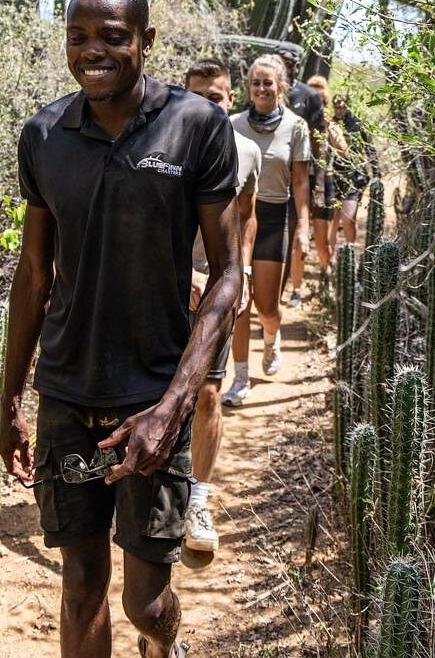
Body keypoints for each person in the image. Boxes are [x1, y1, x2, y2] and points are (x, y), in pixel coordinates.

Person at [0, 0, 243, 658]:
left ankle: (162, 645)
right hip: (69, 393)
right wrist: (9, 398)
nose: (92, 51)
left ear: (146, 41)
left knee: (146, 601)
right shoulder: (44, 134)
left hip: (152, 395)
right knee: (80, 582)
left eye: (111, 37)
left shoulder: (196, 125)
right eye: (78, 37)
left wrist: (174, 406)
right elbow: (34, 274)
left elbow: (228, 275)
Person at [182, 59, 261, 556]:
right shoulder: (162, 145)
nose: (208, 105)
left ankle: (197, 500)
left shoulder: (248, 152)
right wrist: (181, 272)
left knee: (209, 393)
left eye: (216, 97)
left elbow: (248, 216)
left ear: (232, 100)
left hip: (218, 291)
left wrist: (243, 271)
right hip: (160, 289)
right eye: (198, 96)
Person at [223, 54, 311, 407]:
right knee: (240, 302)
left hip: (274, 218)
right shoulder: (231, 125)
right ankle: (240, 377)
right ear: (248, 88)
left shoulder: (296, 127)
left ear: (281, 87)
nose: (261, 88)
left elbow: (300, 181)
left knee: (266, 306)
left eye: (268, 83)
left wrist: (303, 226)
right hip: (240, 215)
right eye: (255, 83)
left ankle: (272, 336)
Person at [271, 44, 324, 309]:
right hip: (269, 175)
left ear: (297, 66)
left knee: (292, 237)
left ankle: (282, 294)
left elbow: (319, 143)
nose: (286, 67)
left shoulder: (309, 96)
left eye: (290, 63)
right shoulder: (264, 89)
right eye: (281, 61)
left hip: (299, 178)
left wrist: (319, 183)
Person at [305, 75, 338, 290]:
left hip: (324, 181)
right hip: (302, 178)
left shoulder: (329, 121)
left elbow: (343, 149)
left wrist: (329, 128)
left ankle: (327, 272)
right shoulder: (299, 119)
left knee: (321, 239)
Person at [332, 94, 378, 246]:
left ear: (348, 107)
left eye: (342, 107)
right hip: (334, 175)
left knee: (348, 218)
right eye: (336, 107)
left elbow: (370, 148)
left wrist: (376, 173)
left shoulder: (357, 123)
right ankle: (332, 256)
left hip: (355, 176)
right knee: (333, 219)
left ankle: (350, 250)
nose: (339, 110)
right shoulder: (330, 124)